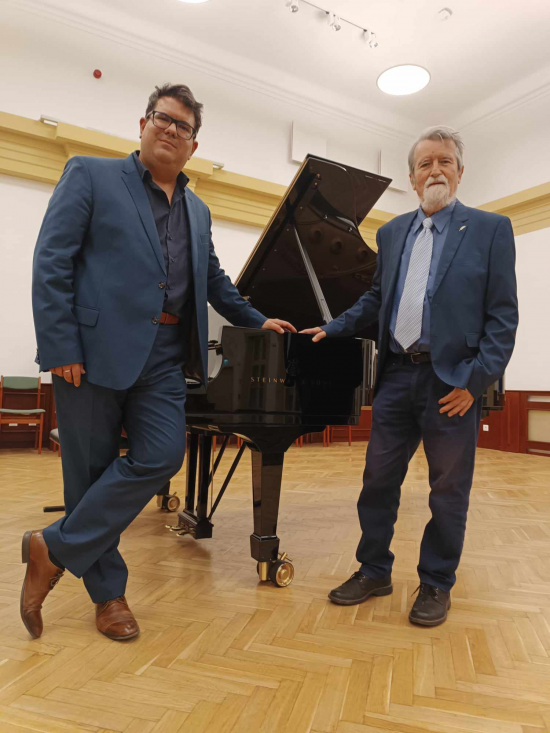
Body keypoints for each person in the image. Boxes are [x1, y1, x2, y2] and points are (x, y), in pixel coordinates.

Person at [23, 83, 295, 641]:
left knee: (162, 454)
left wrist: (256, 319)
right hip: (90, 355)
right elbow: (51, 262)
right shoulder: (90, 175)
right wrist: (61, 346)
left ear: (194, 146)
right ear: (143, 124)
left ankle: (51, 547)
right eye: (162, 118)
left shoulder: (198, 210)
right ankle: (109, 596)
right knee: (89, 475)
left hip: (166, 358)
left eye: (183, 126)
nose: (171, 129)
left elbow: (213, 279)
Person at [301, 126, 518, 626]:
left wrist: (475, 382)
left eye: (445, 162)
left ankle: (437, 581)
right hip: (397, 376)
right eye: (425, 164)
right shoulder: (392, 232)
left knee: (448, 490)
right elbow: (378, 298)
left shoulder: (490, 229)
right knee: (377, 481)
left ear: (459, 172)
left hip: (452, 384)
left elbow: (503, 316)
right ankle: (373, 570)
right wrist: (333, 327)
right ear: (412, 178)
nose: (435, 170)